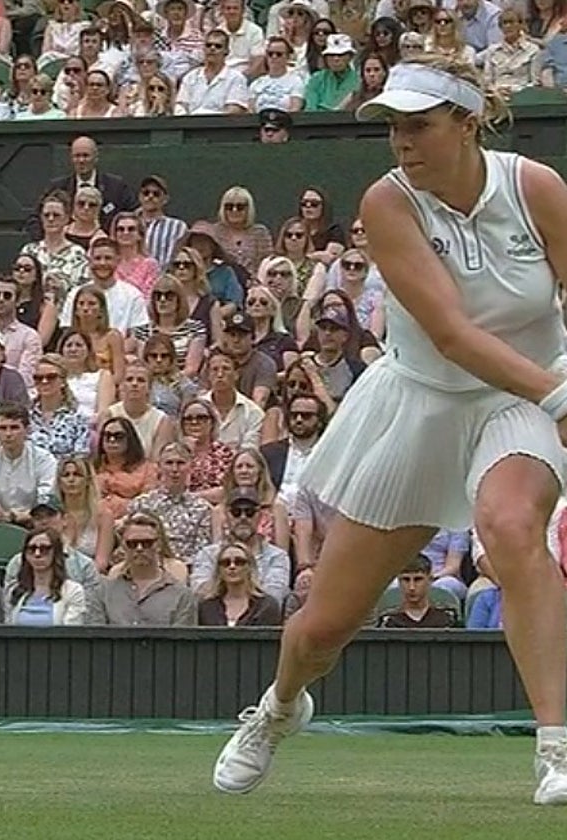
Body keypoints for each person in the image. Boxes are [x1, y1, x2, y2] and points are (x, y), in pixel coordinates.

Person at [214, 57, 567, 803]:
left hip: (519, 404)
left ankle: (556, 747)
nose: (401, 141)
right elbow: (451, 334)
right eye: (394, 127)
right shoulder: (387, 202)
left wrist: (553, 392)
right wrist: (562, 396)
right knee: (321, 631)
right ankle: (278, 709)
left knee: (510, 528)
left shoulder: (535, 188)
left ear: (467, 125)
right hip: (423, 403)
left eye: (419, 125)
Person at [88, 514, 198, 626]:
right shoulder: (103, 593)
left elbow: (182, 641)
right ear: (123, 546)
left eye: (147, 543)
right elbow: (96, 639)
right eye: (132, 544)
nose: (139, 548)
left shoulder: (182, 596)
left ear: (159, 545)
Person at [0, 402, 57, 525]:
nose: (8, 434)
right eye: (3, 428)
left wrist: (15, 516)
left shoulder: (44, 459)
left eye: (14, 427)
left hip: (33, 522)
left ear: (27, 430)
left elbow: (46, 501)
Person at [5, 527, 87, 626]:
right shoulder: (15, 590)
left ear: (56, 552)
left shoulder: (73, 591)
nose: (37, 554)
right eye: (32, 549)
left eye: (44, 549)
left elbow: (71, 632)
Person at [197, 539, 284, 627]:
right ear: (219, 570)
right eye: (225, 563)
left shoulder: (266, 606)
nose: (232, 566)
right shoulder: (206, 606)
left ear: (250, 567)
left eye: (239, 562)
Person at [375, 555, 458, 628]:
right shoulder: (389, 621)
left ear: (430, 580)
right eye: (406, 580)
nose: (412, 587)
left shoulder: (446, 618)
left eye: (418, 579)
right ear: (399, 582)